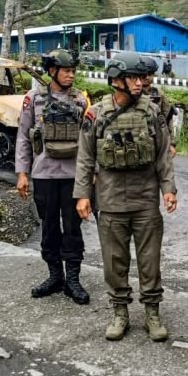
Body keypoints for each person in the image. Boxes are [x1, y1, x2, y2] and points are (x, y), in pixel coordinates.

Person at [73, 51, 177, 342]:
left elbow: (163, 155)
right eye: (133, 77)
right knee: (114, 261)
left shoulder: (152, 112)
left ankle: (152, 313)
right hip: (110, 199)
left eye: (141, 77)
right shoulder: (96, 114)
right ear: (117, 80)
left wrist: (168, 189)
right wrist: (82, 195)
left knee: (150, 260)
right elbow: (84, 157)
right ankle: (120, 312)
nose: (140, 83)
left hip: (145, 200)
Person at [15, 49, 90, 305]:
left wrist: (90, 178)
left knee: (72, 229)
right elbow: (24, 137)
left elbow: (88, 143)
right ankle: (55, 276)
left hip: (72, 177)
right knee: (48, 228)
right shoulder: (32, 99)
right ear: (52, 71)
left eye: (73, 71)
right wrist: (22, 173)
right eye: (66, 71)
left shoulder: (80, 100)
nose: (71, 75)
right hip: (43, 175)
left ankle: (73, 280)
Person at [141, 56, 177, 157]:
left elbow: (167, 120)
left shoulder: (159, 95)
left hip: (156, 140)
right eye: (144, 74)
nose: (146, 77)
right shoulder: (131, 94)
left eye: (150, 74)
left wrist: (171, 144)